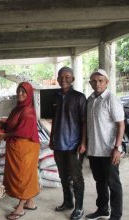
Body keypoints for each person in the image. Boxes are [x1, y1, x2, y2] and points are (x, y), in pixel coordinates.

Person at [0, 82, 40, 220]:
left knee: (22, 177)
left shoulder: (27, 111)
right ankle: (30, 202)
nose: (20, 93)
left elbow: (23, 131)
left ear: (29, 94)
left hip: (25, 147)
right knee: (28, 174)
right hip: (18, 147)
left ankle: (20, 209)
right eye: (18, 91)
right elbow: (12, 123)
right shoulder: (18, 108)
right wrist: (1, 123)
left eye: (23, 92)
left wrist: (4, 135)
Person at [85, 69, 125, 220]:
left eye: (101, 80)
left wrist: (117, 148)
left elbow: (121, 125)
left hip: (109, 150)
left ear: (106, 82)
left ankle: (116, 215)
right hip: (94, 150)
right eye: (94, 81)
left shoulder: (111, 99)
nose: (97, 83)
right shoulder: (90, 100)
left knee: (113, 184)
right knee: (100, 182)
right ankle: (102, 209)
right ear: (90, 83)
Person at [49, 67, 86, 220]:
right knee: (63, 176)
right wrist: (51, 139)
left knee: (76, 177)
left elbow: (84, 122)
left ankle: (79, 207)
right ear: (57, 79)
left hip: (74, 145)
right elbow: (54, 120)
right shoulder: (55, 97)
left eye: (67, 76)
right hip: (58, 144)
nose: (64, 79)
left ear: (73, 79)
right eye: (61, 76)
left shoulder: (79, 97)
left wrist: (83, 143)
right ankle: (68, 202)